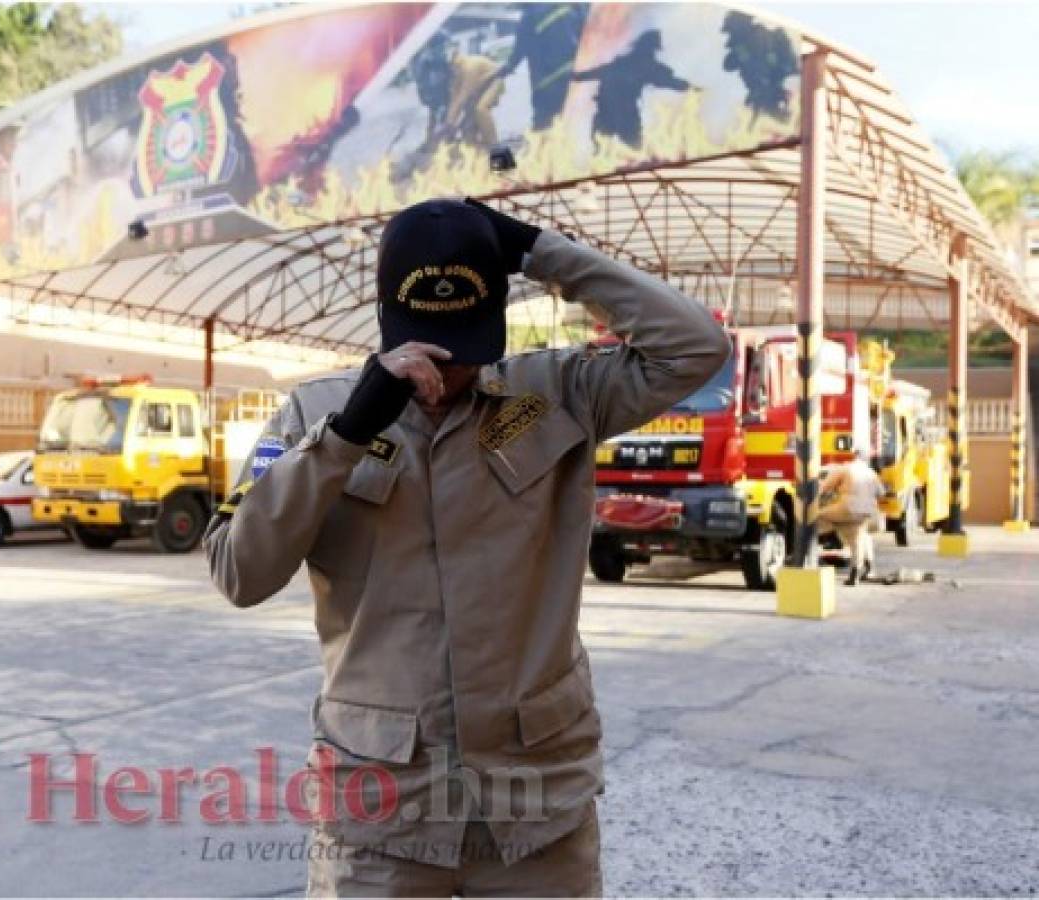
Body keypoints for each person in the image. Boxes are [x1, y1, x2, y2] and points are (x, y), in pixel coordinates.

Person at [205, 197, 730, 896]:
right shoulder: (315, 413)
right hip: (384, 806)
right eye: (428, 343)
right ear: (389, 317)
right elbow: (239, 572)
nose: (444, 373)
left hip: (533, 799)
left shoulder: (558, 394)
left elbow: (695, 345)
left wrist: (544, 253)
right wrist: (343, 439)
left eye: (465, 349)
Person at [570, 29, 694, 149]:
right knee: (628, 152)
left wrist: (574, 76)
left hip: (607, 116)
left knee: (609, 151)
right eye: (652, 50)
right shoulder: (644, 66)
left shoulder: (621, 64)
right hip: (622, 117)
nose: (653, 53)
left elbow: (588, 75)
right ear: (649, 49)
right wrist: (688, 86)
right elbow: (670, 81)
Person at [818, 448, 887, 586]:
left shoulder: (845, 469)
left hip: (848, 508)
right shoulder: (871, 473)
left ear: (853, 456)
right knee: (860, 537)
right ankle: (861, 568)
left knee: (817, 516)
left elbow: (824, 487)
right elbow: (881, 492)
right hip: (867, 512)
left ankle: (828, 537)